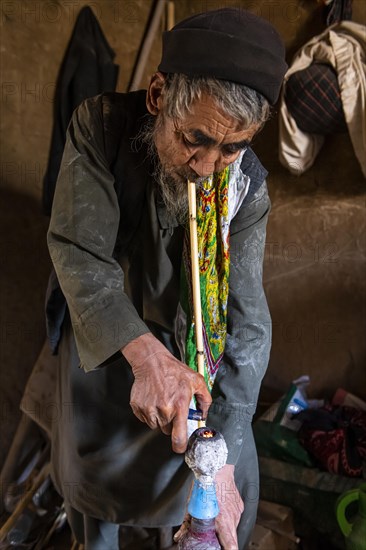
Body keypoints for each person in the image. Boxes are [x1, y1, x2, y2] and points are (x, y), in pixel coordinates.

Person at [47, 7, 287, 549]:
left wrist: (220, 450)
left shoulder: (243, 185)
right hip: (106, 347)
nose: (207, 165)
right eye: (194, 139)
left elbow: (246, 324)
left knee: (220, 490)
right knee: (98, 500)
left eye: (231, 147)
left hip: (196, 360)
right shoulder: (101, 126)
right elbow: (80, 252)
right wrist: (148, 357)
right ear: (158, 96)